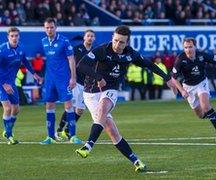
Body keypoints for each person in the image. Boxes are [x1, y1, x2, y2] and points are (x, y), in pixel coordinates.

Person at [75, 25, 175, 172]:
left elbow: (148, 64)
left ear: (127, 43)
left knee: (104, 107)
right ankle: (137, 161)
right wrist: (98, 77)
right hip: (90, 93)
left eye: (121, 42)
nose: (117, 44)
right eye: (115, 40)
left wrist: (167, 78)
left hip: (110, 90)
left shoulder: (130, 54)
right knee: (111, 130)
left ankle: (88, 145)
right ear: (112, 38)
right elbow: (81, 65)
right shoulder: (102, 50)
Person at [0, 27, 42, 145]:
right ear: (8, 37)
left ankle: (7, 130)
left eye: (16, 36)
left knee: (16, 109)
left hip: (11, 83)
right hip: (0, 83)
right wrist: (4, 84)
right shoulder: (1, 50)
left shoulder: (21, 48)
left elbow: (25, 61)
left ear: (19, 37)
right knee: (8, 108)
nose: (14, 38)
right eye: (12, 36)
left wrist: (34, 74)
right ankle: (9, 136)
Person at [40, 18, 82, 144]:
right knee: (49, 105)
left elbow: (71, 60)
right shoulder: (43, 41)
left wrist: (73, 77)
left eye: (51, 27)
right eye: (47, 27)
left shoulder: (64, 41)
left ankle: (72, 135)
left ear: (55, 27)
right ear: (44, 28)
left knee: (69, 105)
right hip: (50, 79)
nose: (49, 29)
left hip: (63, 79)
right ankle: (50, 137)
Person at [56, 29, 96, 140]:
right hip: (76, 82)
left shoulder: (94, 51)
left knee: (80, 110)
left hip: (86, 84)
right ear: (84, 37)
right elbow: (69, 62)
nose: (90, 38)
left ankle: (67, 130)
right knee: (71, 106)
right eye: (88, 35)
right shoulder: (77, 49)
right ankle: (59, 130)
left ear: (94, 38)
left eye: (92, 36)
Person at [171, 37, 216, 129]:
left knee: (206, 106)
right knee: (200, 115)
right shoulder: (180, 59)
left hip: (201, 83)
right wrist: (182, 91)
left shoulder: (202, 55)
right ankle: (211, 115)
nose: (188, 50)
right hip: (188, 87)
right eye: (186, 47)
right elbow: (174, 78)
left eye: (190, 47)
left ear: (195, 47)